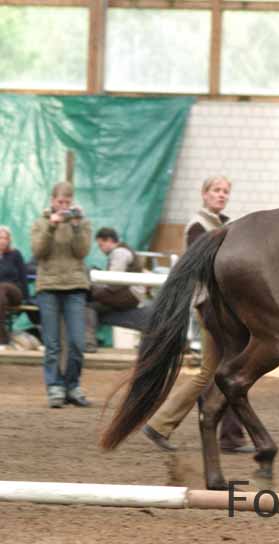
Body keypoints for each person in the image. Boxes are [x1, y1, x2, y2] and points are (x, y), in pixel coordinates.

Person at [142, 175, 253, 454]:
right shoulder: (198, 226)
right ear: (204, 194)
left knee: (215, 371)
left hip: (217, 305)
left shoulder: (223, 224)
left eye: (225, 191)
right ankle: (226, 435)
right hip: (210, 304)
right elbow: (205, 266)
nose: (221, 195)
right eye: (216, 190)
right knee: (220, 370)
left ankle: (165, 425)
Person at [31, 182, 92, 408]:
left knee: (77, 342)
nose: (64, 206)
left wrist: (76, 227)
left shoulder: (82, 223)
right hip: (48, 286)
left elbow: (82, 252)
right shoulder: (40, 222)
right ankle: (54, 386)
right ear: (52, 200)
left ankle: (72, 385)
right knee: (53, 343)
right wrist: (51, 226)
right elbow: (38, 251)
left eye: (67, 202)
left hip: (75, 286)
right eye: (60, 202)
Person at [84, 227, 146, 352]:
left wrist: (93, 288)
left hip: (129, 294)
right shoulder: (123, 251)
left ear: (109, 240)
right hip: (129, 293)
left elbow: (114, 282)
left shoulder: (119, 253)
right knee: (92, 302)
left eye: (101, 245)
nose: (101, 249)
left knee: (88, 304)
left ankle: (89, 342)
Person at [0, 226, 29, 348]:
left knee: (2, 287)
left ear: (9, 240)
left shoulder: (15, 254)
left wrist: (26, 298)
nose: (2, 240)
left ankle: (2, 336)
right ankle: (3, 335)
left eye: (5, 238)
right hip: (1, 297)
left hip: (15, 292)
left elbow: (23, 276)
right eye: (0, 238)